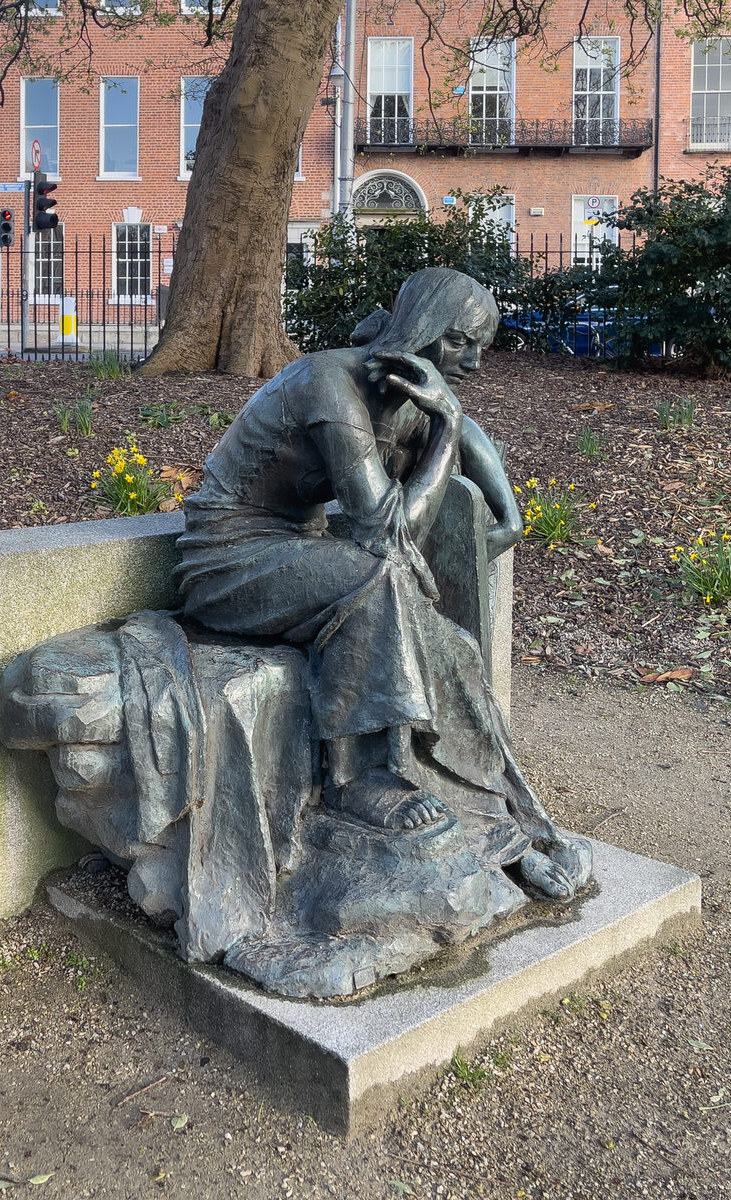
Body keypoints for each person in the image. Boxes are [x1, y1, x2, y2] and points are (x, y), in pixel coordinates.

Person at [173, 267, 592, 898]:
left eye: (482, 346)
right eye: (459, 342)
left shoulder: (401, 393)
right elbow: (384, 535)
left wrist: (505, 504)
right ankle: (360, 779)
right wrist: (445, 427)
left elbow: (473, 440)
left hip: (299, 555)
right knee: (379, 574)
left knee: (455, 649)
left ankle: (507, 827)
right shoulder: (328, 382)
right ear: (420, 330)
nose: (474, 362)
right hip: (225, 560)